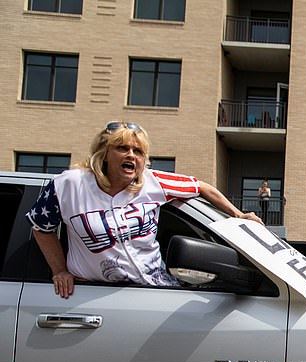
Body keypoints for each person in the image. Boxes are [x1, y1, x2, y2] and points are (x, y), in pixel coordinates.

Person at [25, 121, 261, 299]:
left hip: (154, 288)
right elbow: (41, 228)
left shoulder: (153, 182)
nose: (131, 155)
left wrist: (238, 215)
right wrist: (60, 270)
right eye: (122, 148)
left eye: (138, 151)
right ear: (104, 153)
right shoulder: (68, 184)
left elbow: (202, 187)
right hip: (94, 295)